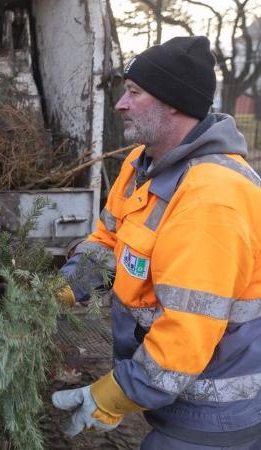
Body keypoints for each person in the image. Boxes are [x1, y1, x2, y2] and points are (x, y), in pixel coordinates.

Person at [52, 35, 261, 449]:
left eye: (134, 93)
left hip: (214, 413)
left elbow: (186, 330)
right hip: (171, 396)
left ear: (174, 103)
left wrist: (112, 396)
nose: (119, 104)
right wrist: (64, 289)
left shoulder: (212, 197)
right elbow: (108, 241)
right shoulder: (141, 164)